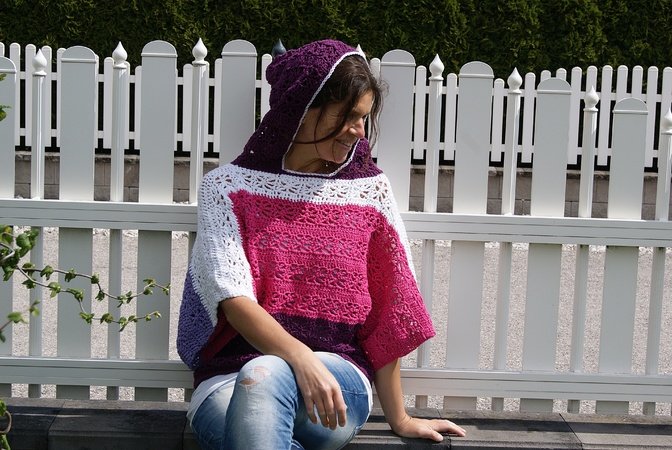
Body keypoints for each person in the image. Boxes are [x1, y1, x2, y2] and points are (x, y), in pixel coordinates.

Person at [177, 39, 466, 450]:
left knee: (261, 382)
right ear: (302, 107)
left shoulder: (368, 192)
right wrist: (300, 358)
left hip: (338, 377)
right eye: (348, 116)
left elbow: (389, 309)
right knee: (259, 384)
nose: (359, 131)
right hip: (229, 379)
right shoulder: (226, 188)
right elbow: (233, 299)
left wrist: (399, 418)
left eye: (363, 118)